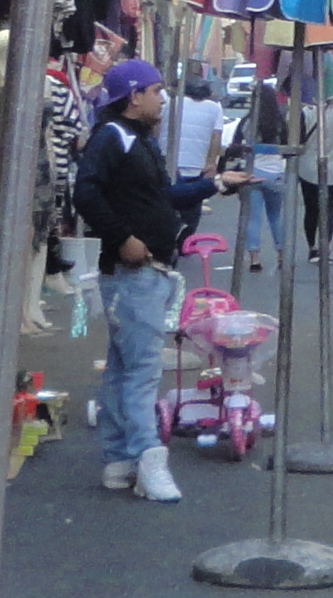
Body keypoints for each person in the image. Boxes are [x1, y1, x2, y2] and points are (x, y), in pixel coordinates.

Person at [76, 60, 235, 503]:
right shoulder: (113, 137)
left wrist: (216, 185)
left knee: (124, 368)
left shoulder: (137, 140)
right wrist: (123, 238)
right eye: (156, 90)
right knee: (142, 371)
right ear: (134, 96)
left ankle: (119, 460)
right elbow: (85, 192)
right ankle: (148, 458)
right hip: (133, 272)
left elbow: (161, 196)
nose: (163, 99)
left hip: (145, 270)